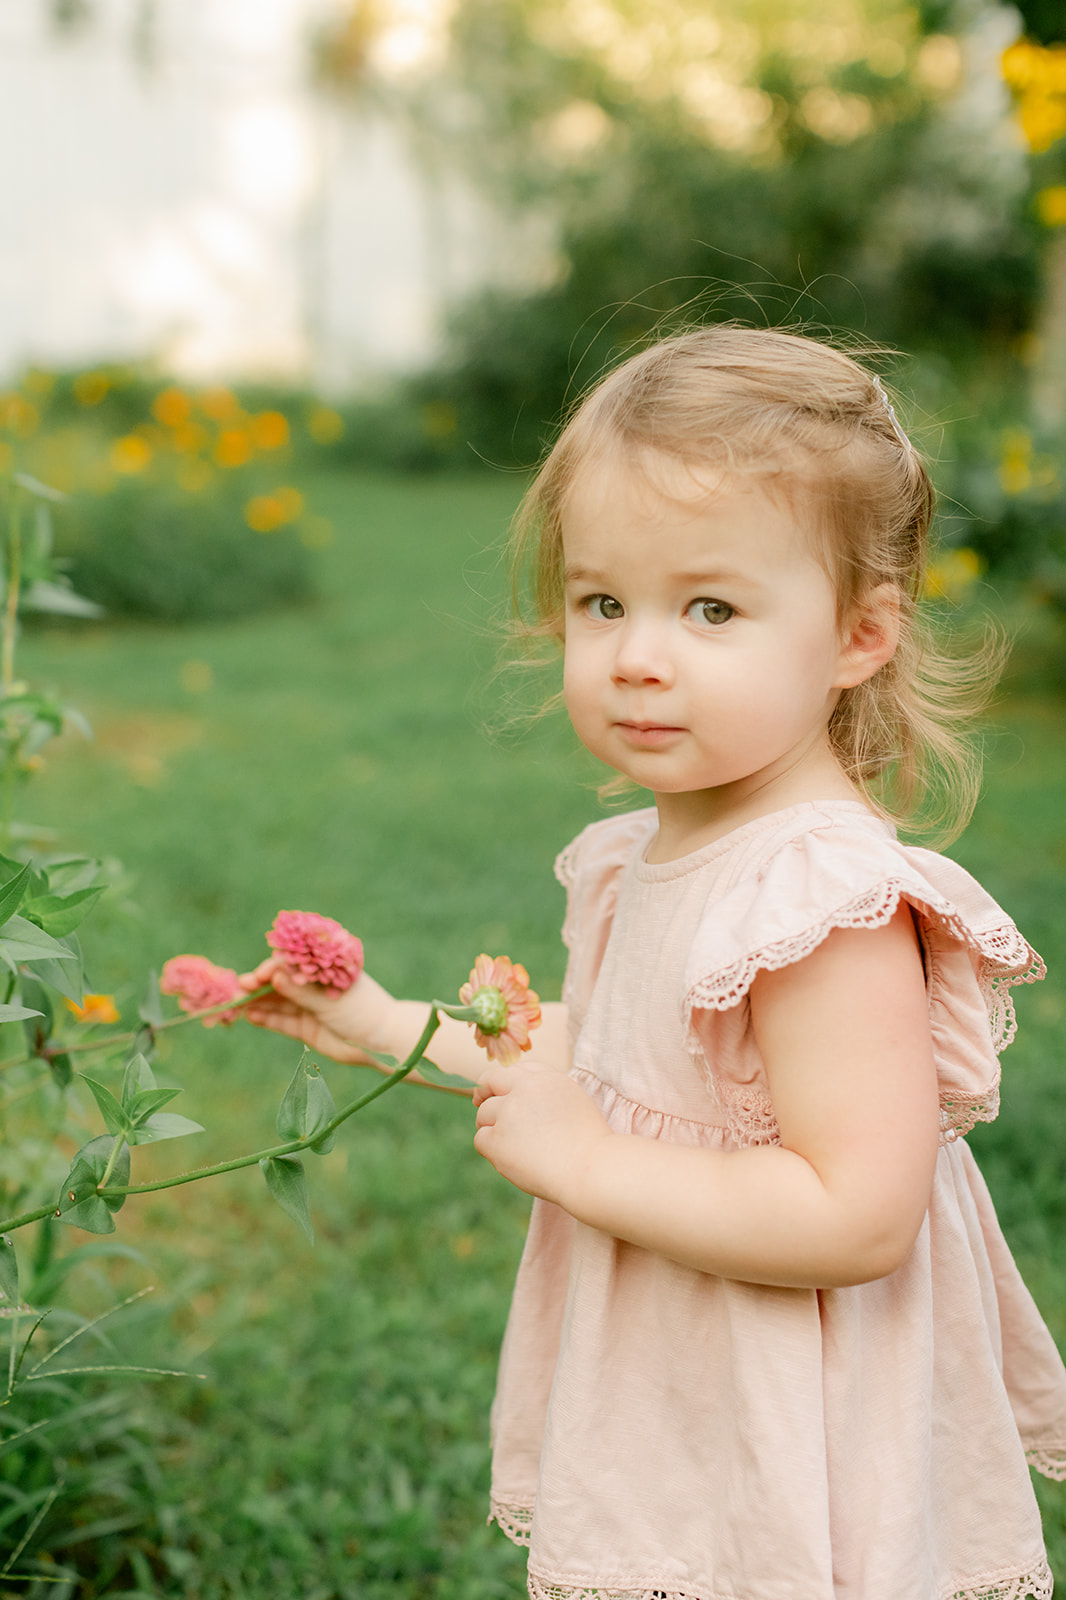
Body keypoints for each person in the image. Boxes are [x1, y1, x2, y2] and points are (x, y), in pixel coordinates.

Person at [242, 327, 1066, 1600]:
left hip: (800, 1401)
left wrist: (584, 1162)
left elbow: (858, 1213)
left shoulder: (822, 901)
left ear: (857, 634)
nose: (636, 653)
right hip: (698, 1379)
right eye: (602, 602)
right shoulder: (642, 854)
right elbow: (615, 1062)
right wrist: (376, 1020)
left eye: (711, 608)